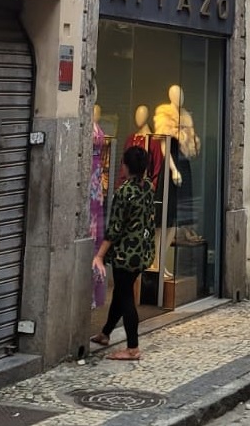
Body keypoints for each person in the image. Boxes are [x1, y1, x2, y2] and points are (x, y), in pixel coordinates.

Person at [91, 144, 157, 359]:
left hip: (125, 254)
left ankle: (132, 347)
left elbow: (115, 228)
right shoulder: (148, 187)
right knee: (121, 292)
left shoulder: (124, 192)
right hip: (142, 252)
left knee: (126, 296)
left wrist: (100, 255)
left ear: (126, 166)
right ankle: (105, 333)